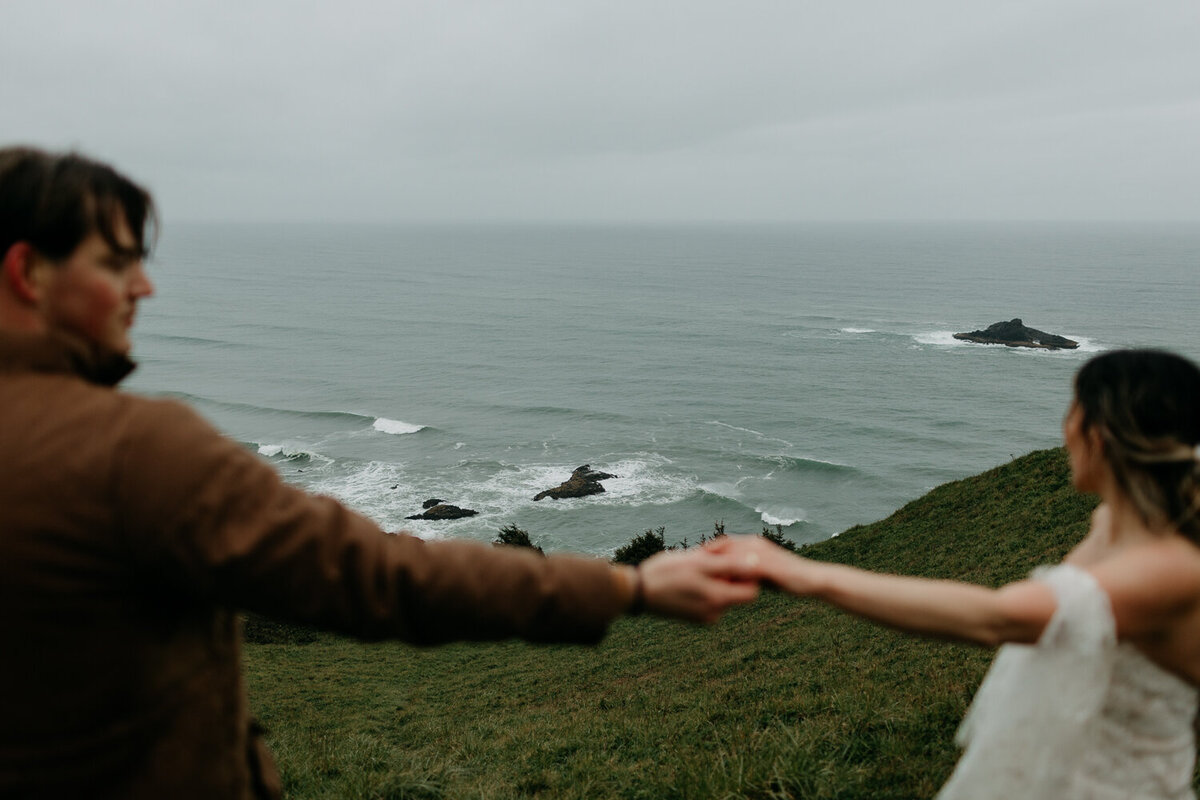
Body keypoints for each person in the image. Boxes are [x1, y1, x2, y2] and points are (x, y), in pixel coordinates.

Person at [0, 146, 760, 800]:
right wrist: (628, 586)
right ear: (28, 272)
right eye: (115, 263)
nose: (145, 288)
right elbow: (384, 578)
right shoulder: (134, 451)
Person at [713, 348, 1200, 799]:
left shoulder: (1171, 569)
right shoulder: (1110, 524)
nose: (1064, 428)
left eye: (1073, 410)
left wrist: (807, 576)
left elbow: (998, 618)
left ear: (1099, 434)